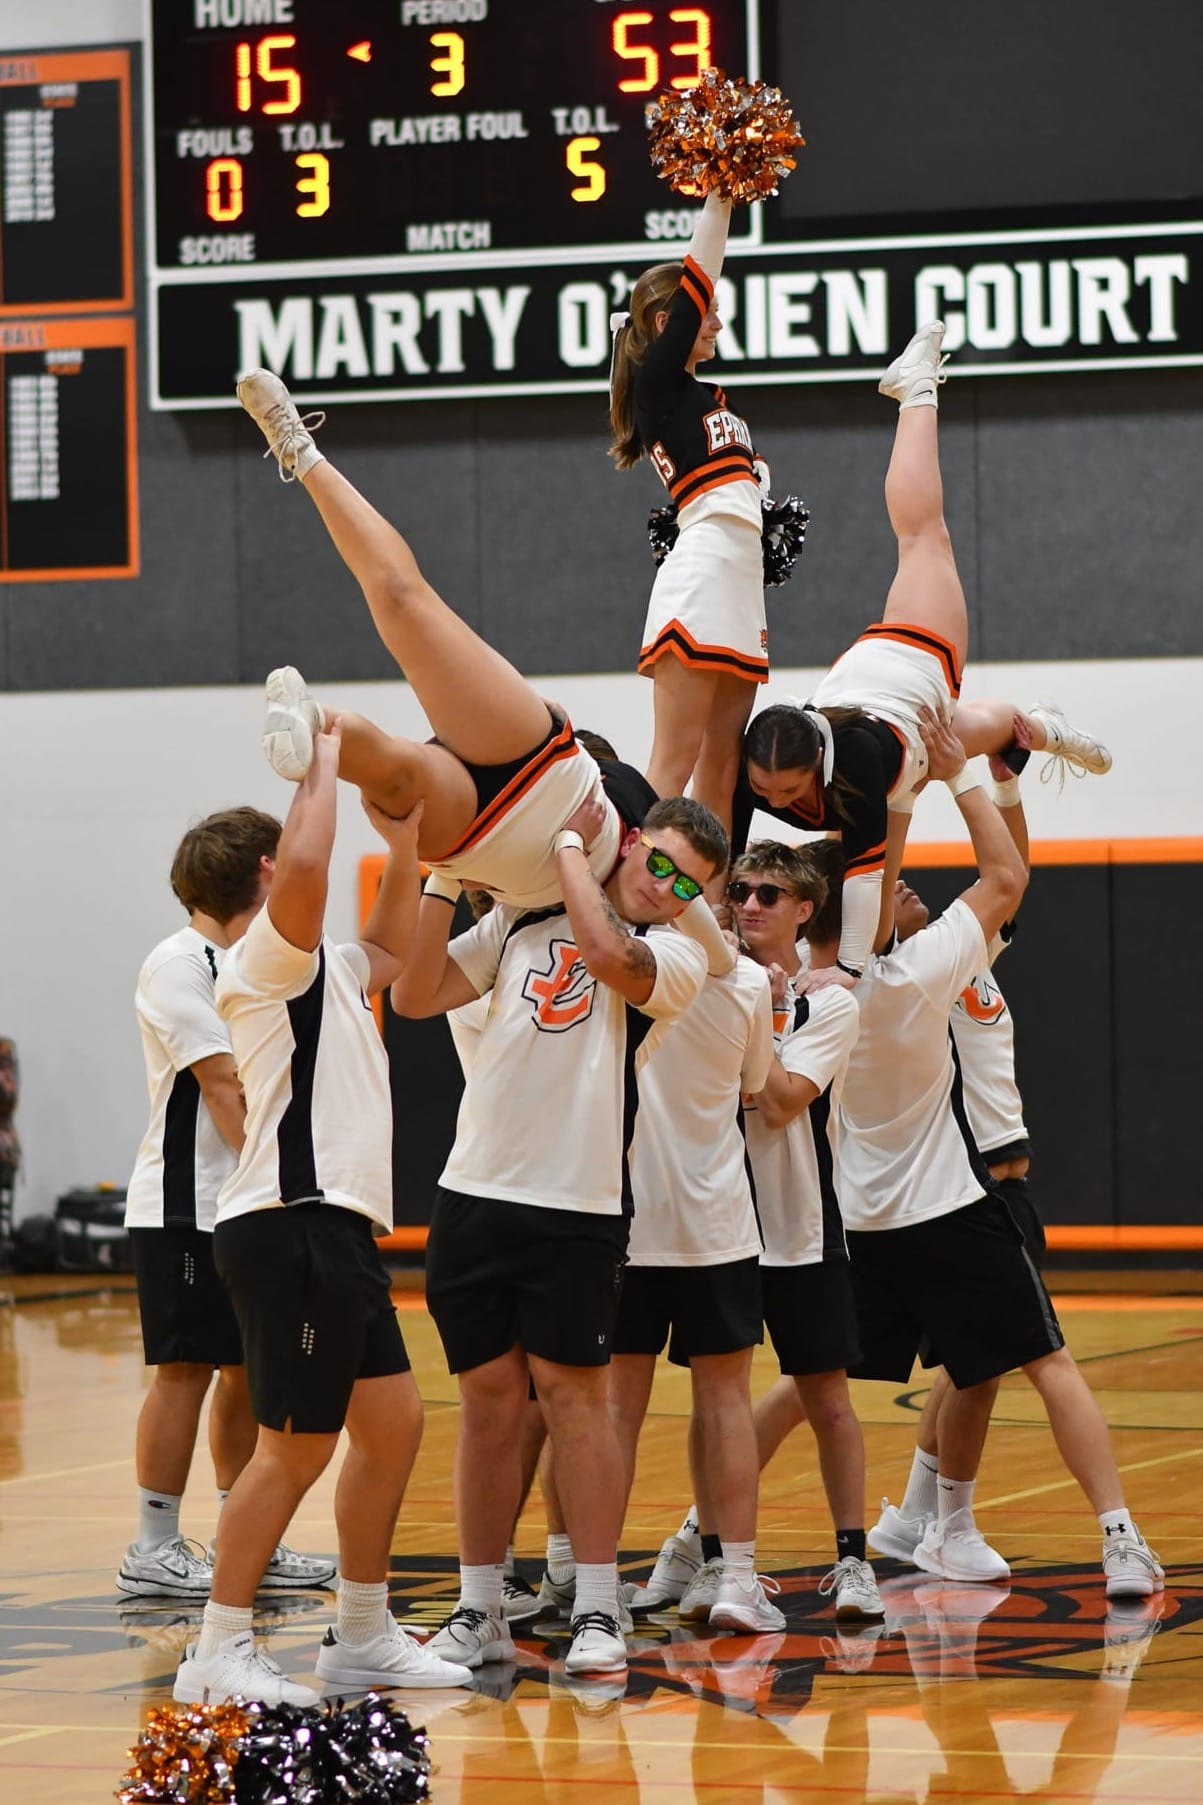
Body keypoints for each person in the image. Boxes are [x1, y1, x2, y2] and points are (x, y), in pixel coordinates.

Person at [391, 794, 725, 1679]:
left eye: (685, 882)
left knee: (576, 1403)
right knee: (489, 1404)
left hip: (575, 1204)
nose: (665, 887)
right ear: (633, 839)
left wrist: (575, 845)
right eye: (657, 861)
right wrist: (440, 874)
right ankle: (478, 1605)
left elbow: (613, 955)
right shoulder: (517, 919)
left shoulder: (680, 954)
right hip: (472, 1190)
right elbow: (414, 993)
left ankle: (596, 1606)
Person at [173, 722, 473, 1705]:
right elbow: (308, 857)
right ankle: (217, 1648)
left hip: (334, 1228)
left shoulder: (328, 964)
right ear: (268, 871)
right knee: (295, 1443)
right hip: (290, 1224)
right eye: (291, 860)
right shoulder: (266, 958)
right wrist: (327, 761)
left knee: (391, 1426)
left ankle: (360, 1631)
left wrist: (408, 833)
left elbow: (388, 942)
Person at [836, 710, 1161, 1599]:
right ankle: (949, 1520)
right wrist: (942, 778)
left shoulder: (958, 950)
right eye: (893, 890)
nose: (912, 894)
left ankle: (916, 1517)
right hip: (957, 1183)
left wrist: (1006, 776)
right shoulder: (892, 980)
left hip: (994, 1178)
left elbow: (1009, 876)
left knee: (965, 1362)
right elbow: (977, 878)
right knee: (985, 1359)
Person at [731, 321, 1111, 974]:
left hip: (909, 663)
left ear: (815, 761)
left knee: (923, 536)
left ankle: (913, 392)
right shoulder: (757, 767)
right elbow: (718, 850)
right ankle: (1043, 728)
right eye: (767, 789)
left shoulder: (854, 769)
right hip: (892, 711)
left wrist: (841, 983)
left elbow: (866, 885)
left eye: (788, 788)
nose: (776, 799)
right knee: (987, 731)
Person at [119, 807, 334, 1601]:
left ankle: (249, 1534)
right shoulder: (179, 964)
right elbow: (225, 1086)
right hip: (188, 1204)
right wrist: (282, 1184)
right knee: (186, 1369)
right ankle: (152, 1542)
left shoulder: (256, 956)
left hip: (245, 1202)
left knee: (246, 1373)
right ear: (264, 867)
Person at [609, 908, 779, 1633]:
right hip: (713, 1222)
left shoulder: (619, 970)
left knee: (611, 1413)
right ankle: (734, 1575)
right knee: (725, 1401)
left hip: (625, 1218)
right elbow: (755, 1083)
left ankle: (588, 1584)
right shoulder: (743, 981)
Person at [609, 193, 769, 828]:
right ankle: (628, 897)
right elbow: (701, 272)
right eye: (705, 315)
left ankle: (714, 916)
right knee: (673, 765)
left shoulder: (702, 397)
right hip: (701, 572)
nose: (715, 325)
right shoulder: (660, 386)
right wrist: (720, 198)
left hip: (740, 581)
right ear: (664, 321)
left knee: (723, 770)